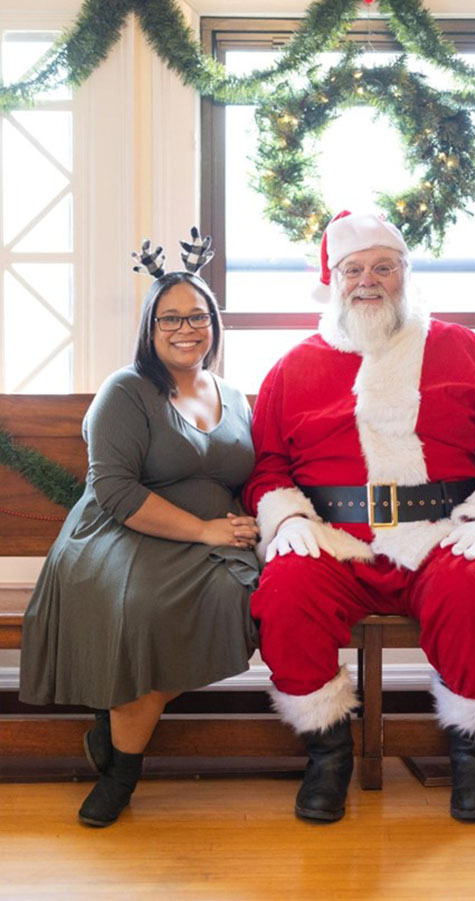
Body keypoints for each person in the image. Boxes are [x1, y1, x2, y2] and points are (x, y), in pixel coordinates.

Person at [243, 210, 475, 824]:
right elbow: (268, 465)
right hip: (335, 540)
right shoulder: (291, 368)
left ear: (405, 272)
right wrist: (285, 521)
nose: (369, 280)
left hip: (441, 533)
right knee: (284, 593)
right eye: (354, 269)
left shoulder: (465, 352)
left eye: (384, 266)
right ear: (333, 279)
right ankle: (327, 754)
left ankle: (473, 752)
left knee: (471, 594)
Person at [19, 230, 260, 827]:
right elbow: (118, 491)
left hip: (215, 544)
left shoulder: (233, 395)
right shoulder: (124, 392)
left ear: (214, 323)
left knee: (246, 599)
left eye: (197, 316)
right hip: (123, 534)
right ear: (150, 329)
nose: (186, 328)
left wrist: (253, 523)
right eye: (170, 318)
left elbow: (248, 476)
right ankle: (122, 770)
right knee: (147, 611)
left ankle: (115, 724)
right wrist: (204, 531)